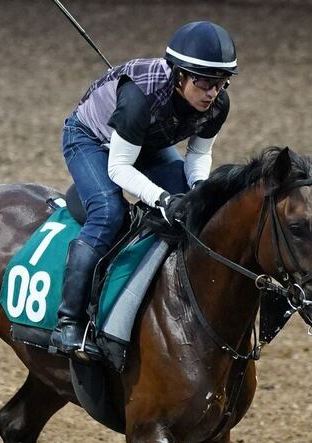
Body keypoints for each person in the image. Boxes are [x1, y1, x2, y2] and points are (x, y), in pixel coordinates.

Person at [50, 20, 238, 358]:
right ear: (179, 76)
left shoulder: (217, 106)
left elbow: (199, 154)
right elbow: (119, 167)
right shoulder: (139, 100)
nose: (213, 92)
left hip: (147, 141)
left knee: (193, 209)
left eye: (221, 83)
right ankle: (69, 322)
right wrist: (162, 197)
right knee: (108, 213)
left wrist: (196, 190)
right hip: (91, 139)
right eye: (205, 82)